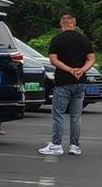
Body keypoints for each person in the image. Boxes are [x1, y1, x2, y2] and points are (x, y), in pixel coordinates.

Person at [41, 8, 97, 157]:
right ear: (74, 23)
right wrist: (81, 70)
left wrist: (69, 69)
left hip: (63, 81)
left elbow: (53, 59)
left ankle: (57, 144)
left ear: (62, 24)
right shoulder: (84, 39)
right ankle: (74, 145)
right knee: (76, 116)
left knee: (58, 114)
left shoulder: (57, 39)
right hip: (80, 81)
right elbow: (91, 58)